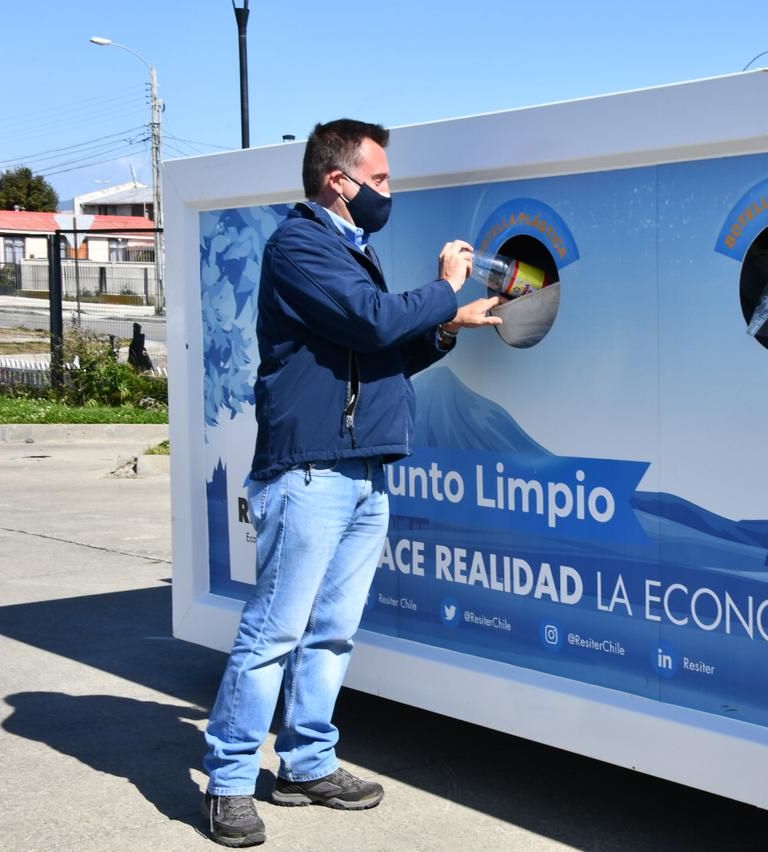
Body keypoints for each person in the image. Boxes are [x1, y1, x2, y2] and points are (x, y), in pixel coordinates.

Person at [200, 119, 500, 848]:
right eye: (383, 178)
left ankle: (306, 763)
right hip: (310, 474)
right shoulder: (300, 245)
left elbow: (377, 355)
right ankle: (231, 781)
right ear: (340, 180)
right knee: (274, 632)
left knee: (331, 633)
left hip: (362, 473)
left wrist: (446, 325)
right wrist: (445, 285)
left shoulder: (348, 253)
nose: (388, 191)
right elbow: (370, 323)